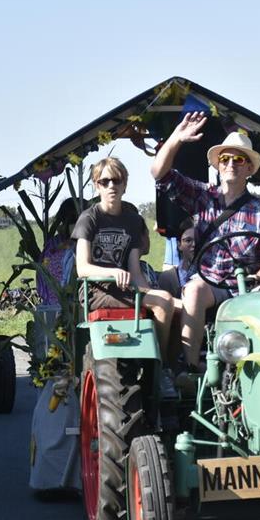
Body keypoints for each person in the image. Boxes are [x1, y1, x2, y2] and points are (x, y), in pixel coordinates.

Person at [151, 111, 260, 371]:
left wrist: (259, 277)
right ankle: (191, 370)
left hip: (248, 287)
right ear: (218, 165)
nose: (231, 164)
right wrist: (176, 139)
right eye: (225, 159)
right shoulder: (202, 197)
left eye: (238, 159)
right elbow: (160, 174)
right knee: (193, 289)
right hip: (211, 283)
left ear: (249, 167)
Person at [72, 157, 179, 370]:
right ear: (97, 186)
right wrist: (112, 273)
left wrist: (150, 294)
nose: (111, 186)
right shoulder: (89, 218)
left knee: (177, 306)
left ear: (125, 184)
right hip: (96, 290)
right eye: (105, 182)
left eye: (117, 180)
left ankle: (177, 368)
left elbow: (135, 271)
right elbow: (82, 268)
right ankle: (160, 367)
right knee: (165, 301)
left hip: (126, 288)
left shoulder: (133, 221)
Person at [159, 217, 197, 297]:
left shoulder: (211, 277)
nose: (194, 244)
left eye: (198, 240)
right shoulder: (167, 278)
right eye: (188, 240)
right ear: (179, 244)